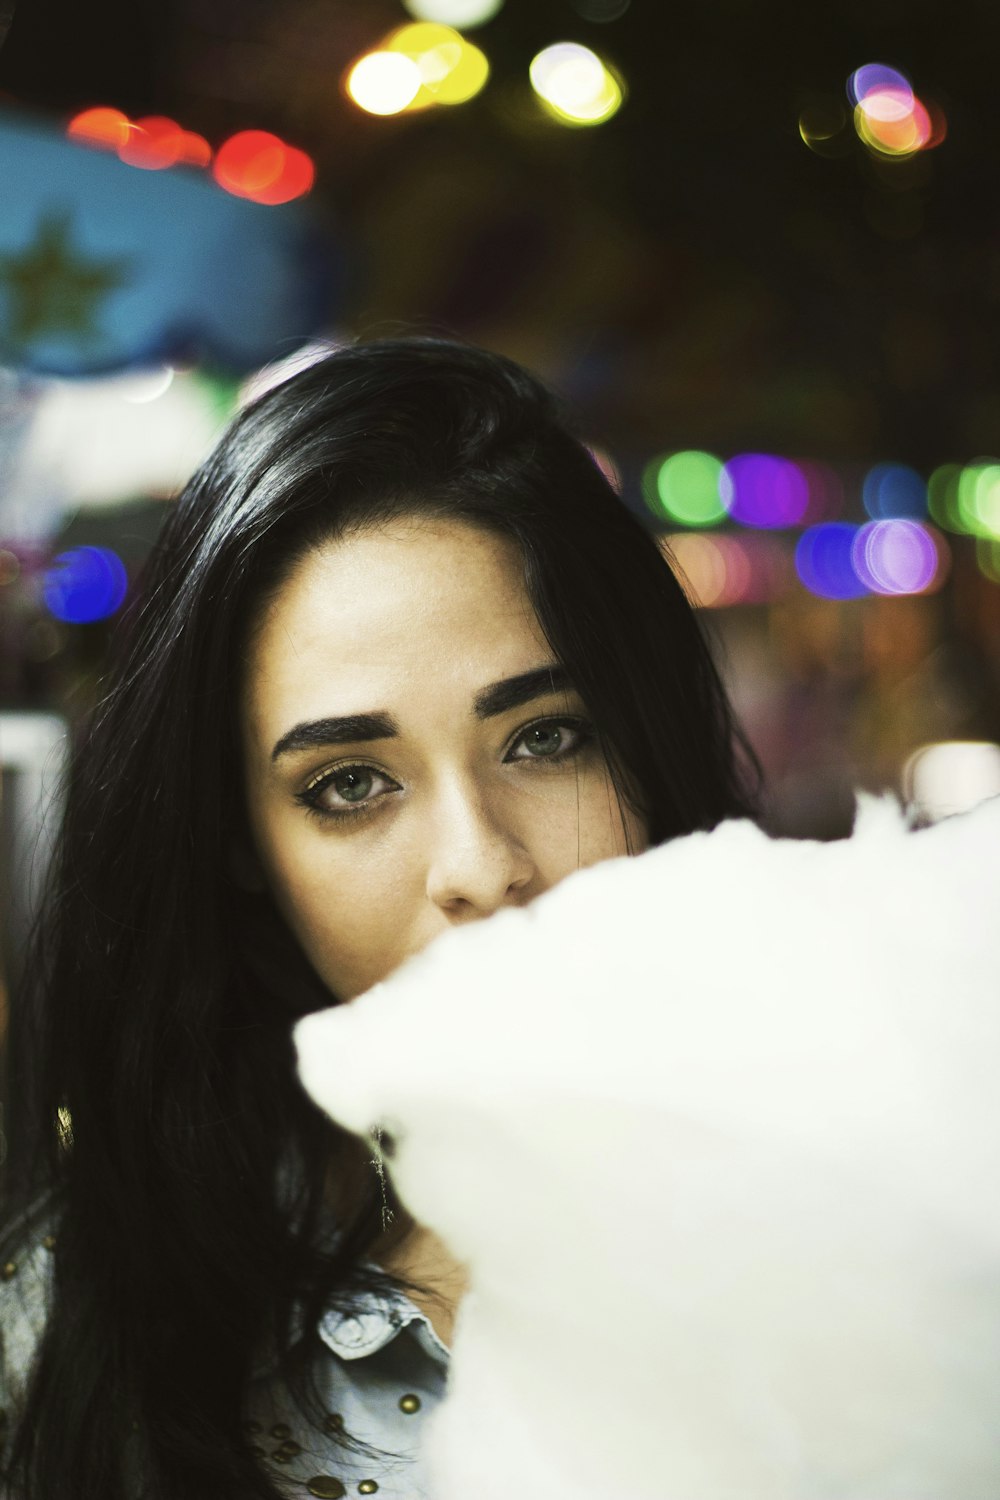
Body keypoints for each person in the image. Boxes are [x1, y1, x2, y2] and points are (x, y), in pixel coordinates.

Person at [0, 336, 761, 1500]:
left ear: (645, 742)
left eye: (544, 737)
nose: (479, 866)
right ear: (242, 849)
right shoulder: (68, 1343)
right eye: (349, 783)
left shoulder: (897, 1210)